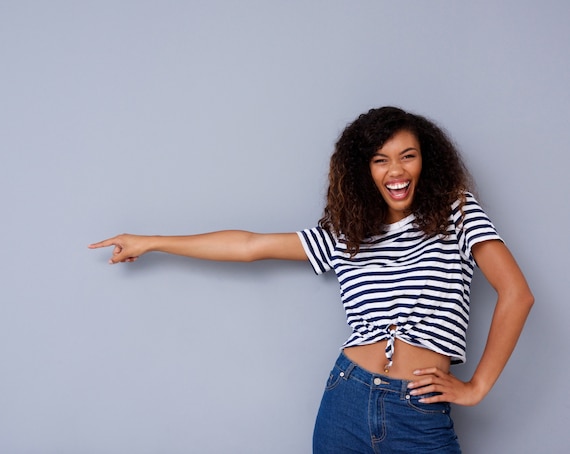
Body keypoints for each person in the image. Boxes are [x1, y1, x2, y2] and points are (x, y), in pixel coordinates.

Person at [89, 106, 533, 453]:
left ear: (425, 161)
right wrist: (149, 241)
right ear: (365, 171)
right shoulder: (348, 234)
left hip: (419, 409)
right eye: (380, 161)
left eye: (407, 156)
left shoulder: (456, 212)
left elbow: (516, 294)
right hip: (346, 399)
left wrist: (477, 387)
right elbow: (250, 246)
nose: (395, 171)